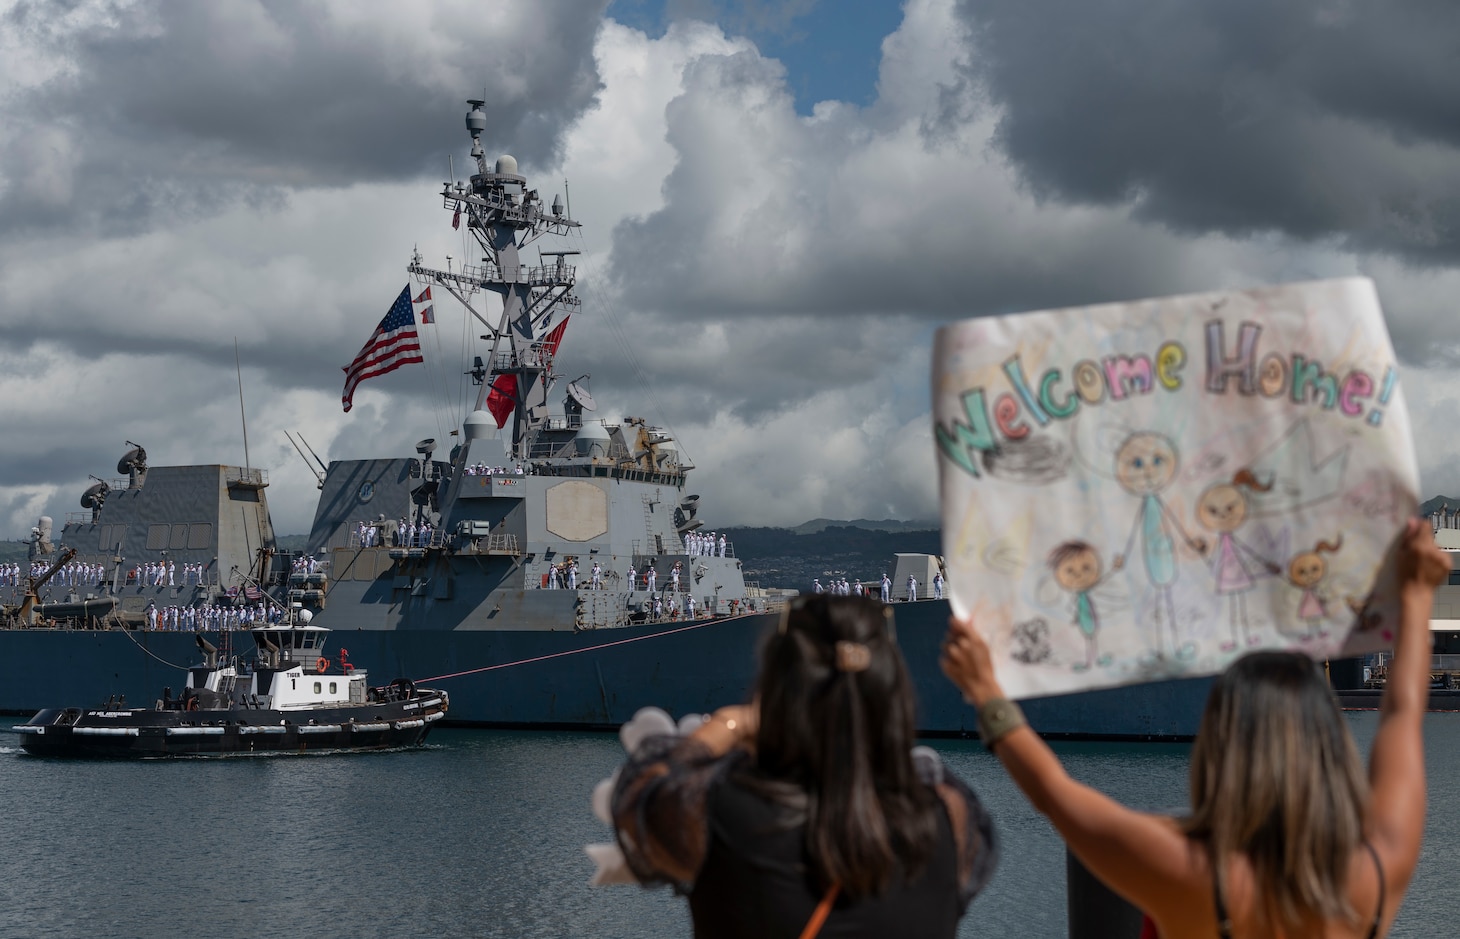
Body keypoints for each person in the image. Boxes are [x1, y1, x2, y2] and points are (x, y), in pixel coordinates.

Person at [940, 518, 1447, 939]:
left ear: (1222, 746)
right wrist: (1418, 595)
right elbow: (1402, 713)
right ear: (1329, 744)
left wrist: (987, 693)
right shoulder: (1378, 869)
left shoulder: (1190, 873)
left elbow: (1054, 794)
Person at [611, 595, 997, 937]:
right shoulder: (949, 819)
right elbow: (917, 772)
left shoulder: (723, 817)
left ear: (774, 694)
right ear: (892, 692)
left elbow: (640, 794)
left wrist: (731, 723)